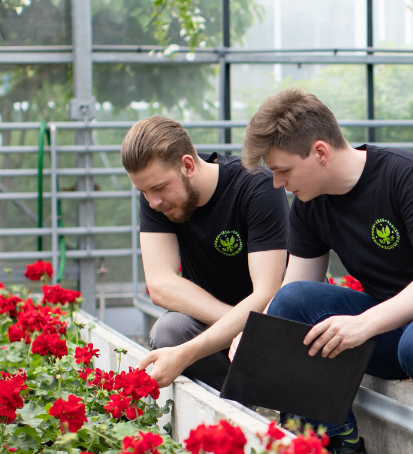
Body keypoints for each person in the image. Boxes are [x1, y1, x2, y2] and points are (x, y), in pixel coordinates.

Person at [238, 88, 413, 454]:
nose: (277, 183)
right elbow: (293, 295)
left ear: (320, 152)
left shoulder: (407, 175)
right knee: (292, 302)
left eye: (283, 170)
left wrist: (363, 324)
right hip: (397, 326)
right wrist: (258, 336)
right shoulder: (308, 205)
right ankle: (338, 444)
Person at [123, 116, 289, 390]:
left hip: (273, 328)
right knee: (169, 331)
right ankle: (238, 409)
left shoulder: (256, 186)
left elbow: (266, 292)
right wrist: (235, 325)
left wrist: (249, 330)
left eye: (158, 188)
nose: (152, 202)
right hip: (220, 330)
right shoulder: (157, 200)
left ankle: (273, 400)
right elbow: (160, 286)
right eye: (143, 191)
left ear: (187, 165)